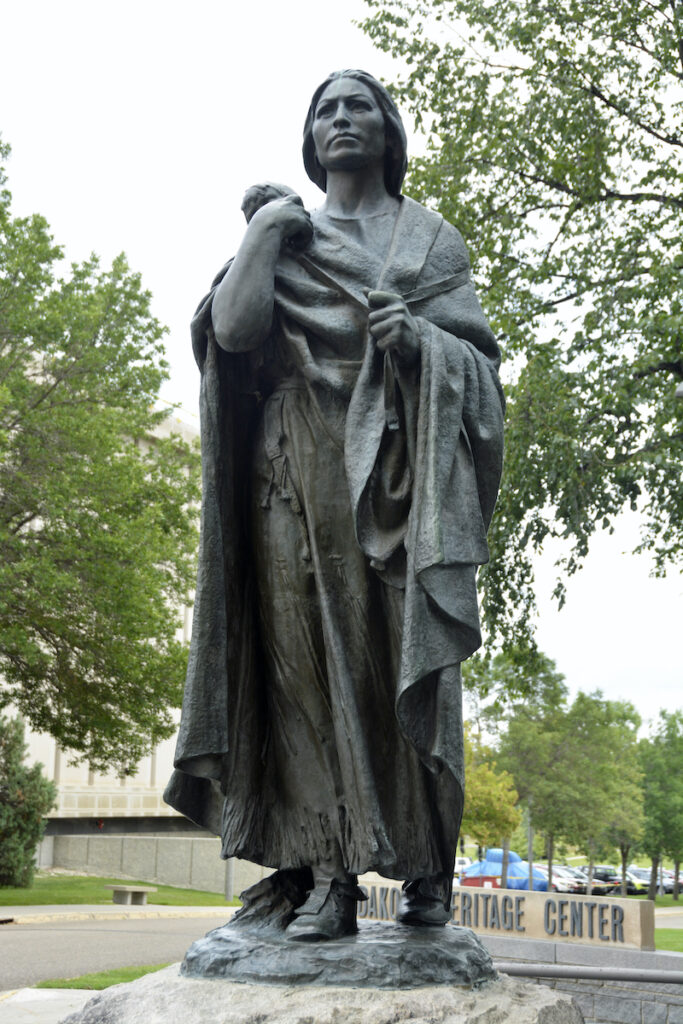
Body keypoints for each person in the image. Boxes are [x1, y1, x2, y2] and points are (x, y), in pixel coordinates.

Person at [164, 70, 504, 942]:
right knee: (303, 674)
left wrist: (422, 340)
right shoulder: (288, 233)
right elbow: (233, 334)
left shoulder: (429, 243)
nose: (341, 120)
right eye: (325, 110)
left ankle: (428, 867)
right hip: (292, 474)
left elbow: (479, 376)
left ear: (388, 132)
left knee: (409, 669)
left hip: (395, 480)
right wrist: (269, 233)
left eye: (357, 106)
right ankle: (327, 872)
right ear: (309, 140)